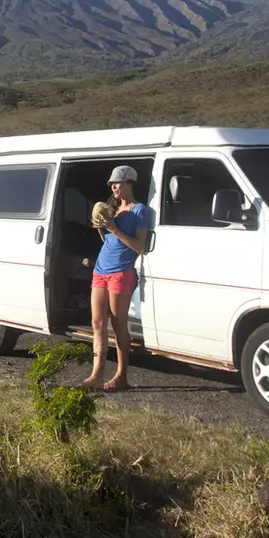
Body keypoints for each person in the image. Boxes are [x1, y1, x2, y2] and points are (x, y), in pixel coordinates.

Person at [82, 164, 153, 391]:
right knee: (97, 323)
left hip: (121, 272)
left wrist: (113, 228)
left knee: (118, 322)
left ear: (129, 183)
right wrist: (101, 229)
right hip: (101, 270)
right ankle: (96, 375)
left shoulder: (140, 211)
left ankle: (122, 376)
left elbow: (139, 247)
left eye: (117, 183)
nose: (113, 186)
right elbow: (111, 244)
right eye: (112, 183)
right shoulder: (111, 208)